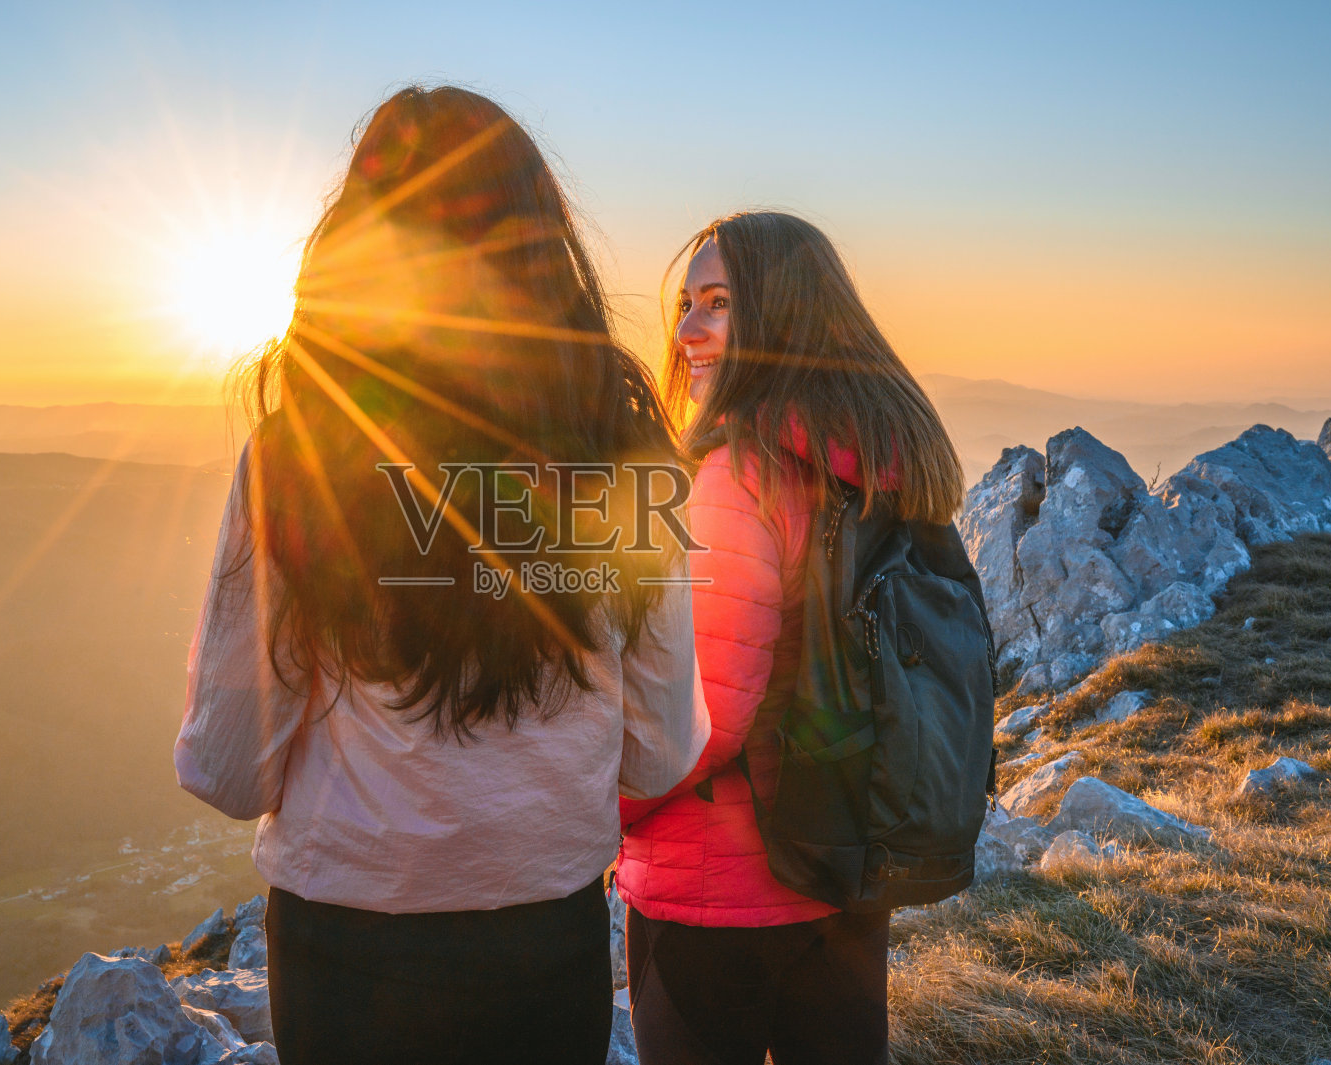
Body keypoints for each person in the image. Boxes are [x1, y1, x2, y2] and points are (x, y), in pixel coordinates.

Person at [173, 85, 710, 1065]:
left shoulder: (297, 457)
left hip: (344, 940)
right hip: (545, 936)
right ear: (544, 255)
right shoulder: (624, 452)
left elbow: (229, 767)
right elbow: (659, 754)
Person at [615, 211, 966, 1065]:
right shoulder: (881, 469)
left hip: (716, 896)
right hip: (843, 872)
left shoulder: (736, 475)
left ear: (782, 314)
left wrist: (597, 812)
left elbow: (702, 722)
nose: (687, 332)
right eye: (686, 305)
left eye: (719, 303)